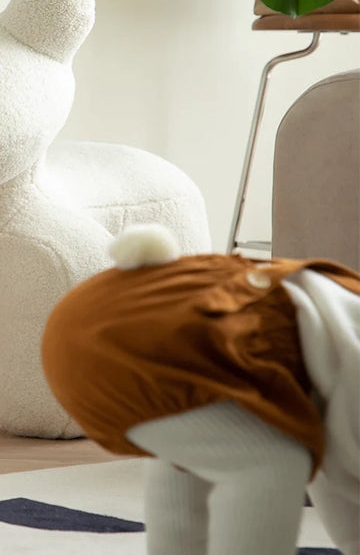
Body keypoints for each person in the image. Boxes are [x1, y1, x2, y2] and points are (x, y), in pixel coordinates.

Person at [41, 224, 360, 555]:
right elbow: (344, 478)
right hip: (145, 346)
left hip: (91, 324)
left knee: (201, 447)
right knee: (270, 464)